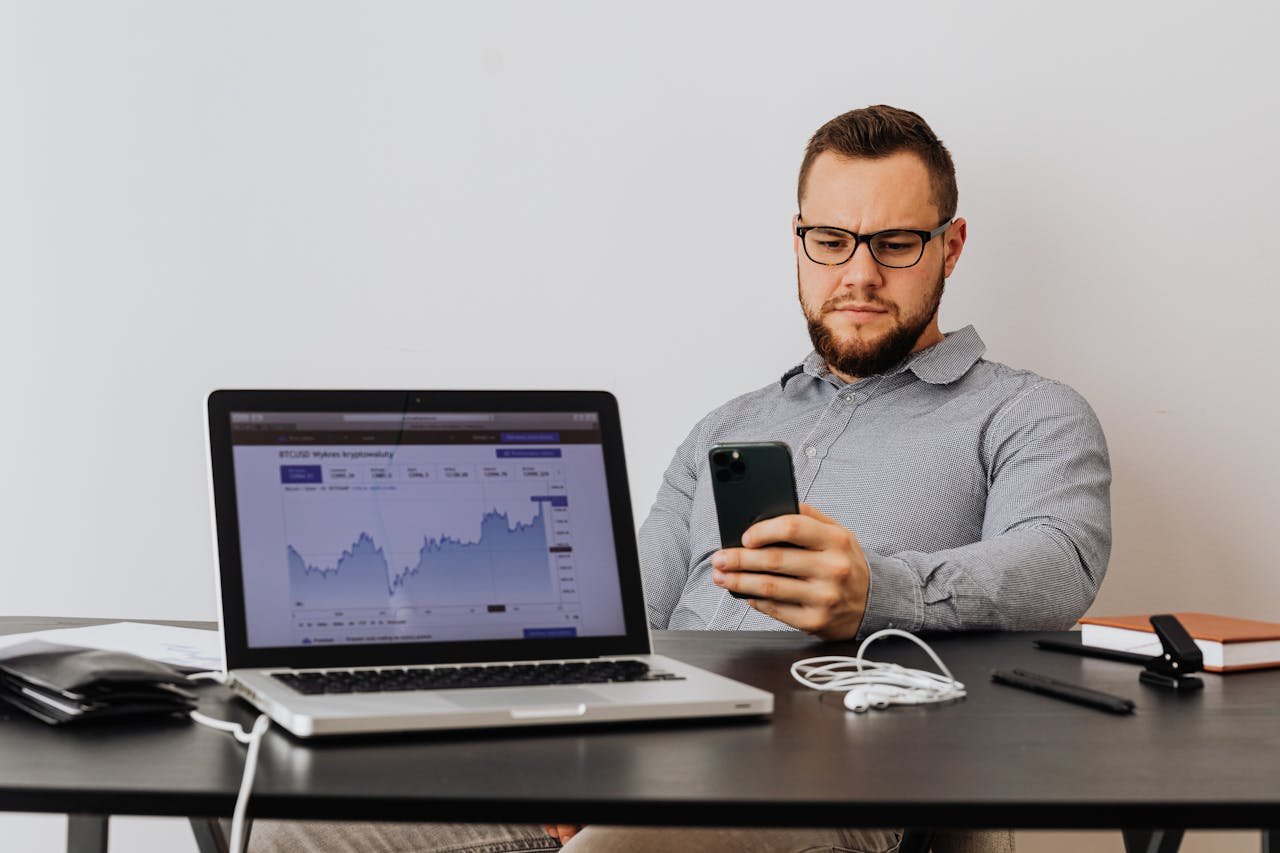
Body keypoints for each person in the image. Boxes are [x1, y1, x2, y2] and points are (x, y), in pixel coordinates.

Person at [253, 104, 1110, 853]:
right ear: (799, 242)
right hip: (652, 751)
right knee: (293, 827)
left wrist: (877, 590)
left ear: (949, 245)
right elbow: (626, 618)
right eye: (831, 240)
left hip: (830, 780)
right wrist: (562, 751)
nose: (858, 274)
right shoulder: (728, 426)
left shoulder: (1028, 413)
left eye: (893, 243)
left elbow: (1058, 561)